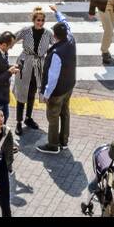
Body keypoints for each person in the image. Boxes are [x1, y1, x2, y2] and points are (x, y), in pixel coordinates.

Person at [36, 8, 75, 155]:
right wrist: (57, 12)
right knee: (65, 112)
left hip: (57, 91)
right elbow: (65, 22)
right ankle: (64, 141)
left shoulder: (56, 53)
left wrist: (46, 94)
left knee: (53, 116)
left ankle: (53, 145)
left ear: (55, 37)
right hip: (69, 85)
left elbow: (53, 78)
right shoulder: (70, 38)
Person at [13, 6, 54, 135]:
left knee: (32, 93)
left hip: (38, 66)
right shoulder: (26, 31)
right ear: (33, 20)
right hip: (25, 64)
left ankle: (28, 118)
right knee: (21, 93)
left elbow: (57, 45)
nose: (40, 23)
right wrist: (1, 47)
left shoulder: (48, 34)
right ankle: (19, 122)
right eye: (38, 20)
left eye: (42, 20)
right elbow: (13, 38)